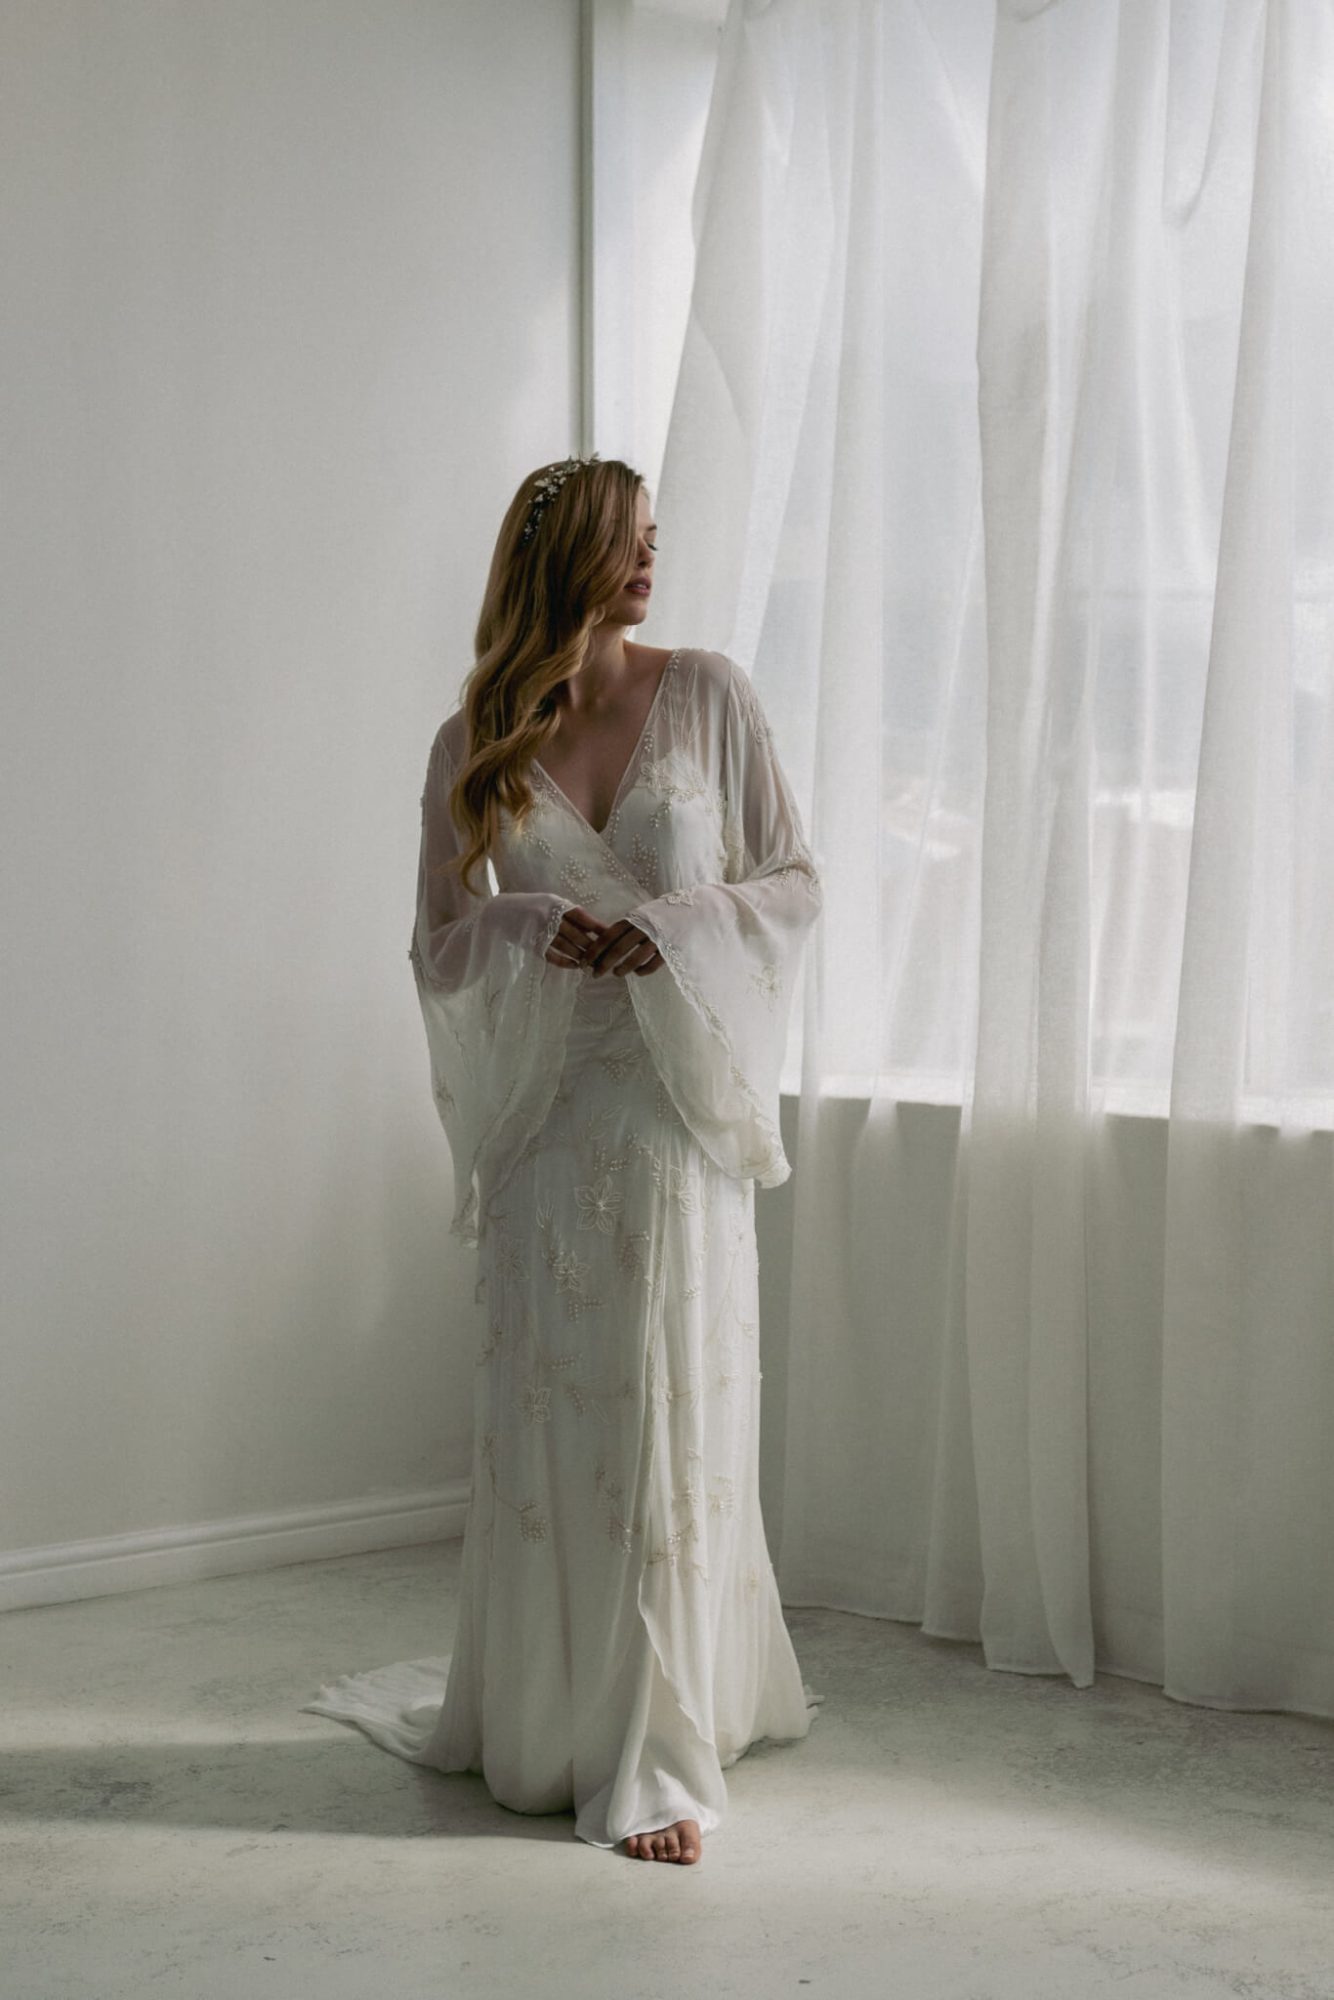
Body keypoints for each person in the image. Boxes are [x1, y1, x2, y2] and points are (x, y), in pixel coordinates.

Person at [301, 454, 822, 1864]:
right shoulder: (473, 734)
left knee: (659, 1410)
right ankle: (549, 1713)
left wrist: (680, 922)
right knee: (565, 1418)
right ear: (564, 554)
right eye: (624, 539)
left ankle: (654, 1744)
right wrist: (529, 927)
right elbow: (437, 941)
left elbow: (794, 880)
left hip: (671, 1114)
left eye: (655, 536)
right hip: (551, 1128)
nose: (650, 560)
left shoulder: (707, 695)